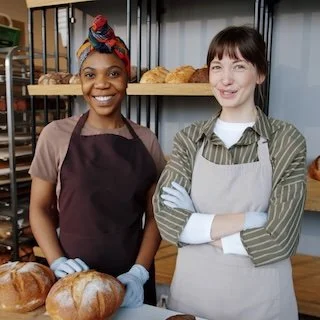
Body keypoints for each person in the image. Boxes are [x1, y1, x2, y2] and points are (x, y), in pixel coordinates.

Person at [153, 25, 306, 320]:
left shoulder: (285, 140)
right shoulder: (189, 138)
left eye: (239, 66)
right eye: (216, 67)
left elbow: (280, 238)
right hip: (193, 299)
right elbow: (168, 221)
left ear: (260, 74)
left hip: (263, 304)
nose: (225, 79)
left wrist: (198, 226)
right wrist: (249, 220)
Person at [29, 15, 166, 308]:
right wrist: (57, 261)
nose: (101, 85)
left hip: (130, 279)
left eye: (113, 73)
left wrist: (140, 272)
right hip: (72, 284)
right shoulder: (55, 135)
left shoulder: (146, 140)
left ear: (126, 78)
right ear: (81, 81)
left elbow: (155, 217)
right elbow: (39, 208)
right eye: (90, 75)